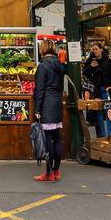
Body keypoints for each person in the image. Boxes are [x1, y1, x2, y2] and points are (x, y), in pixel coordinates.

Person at [33, 41, 67, 182]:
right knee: (57, 138)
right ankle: (57, 170)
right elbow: (60, 87)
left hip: (46, 104)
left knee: (47, 140)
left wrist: (37, 109)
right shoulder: (59, 66)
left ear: (43, 49)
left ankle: (48, 173)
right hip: (57, 103)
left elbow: (40, 90)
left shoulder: (42, 66)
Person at [83, 44, 111, 138]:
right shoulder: (90, 61)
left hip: (107, 90)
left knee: (109, 112)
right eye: (93, 49)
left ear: (101, 50)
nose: (95, 51)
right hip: (96, 90)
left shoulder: (108, 61)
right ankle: (102, 138)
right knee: (98, 114)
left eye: (96, 49)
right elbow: (85, 73)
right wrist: (91, 66)